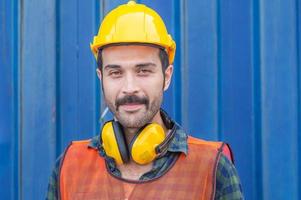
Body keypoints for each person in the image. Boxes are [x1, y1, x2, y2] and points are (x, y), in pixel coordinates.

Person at [47, 1, 243, 199]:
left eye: (143, 71)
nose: (130, 87)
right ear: (101, 78)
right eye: (115, 72)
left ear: (167, 77)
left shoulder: (213, 168)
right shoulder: (69, 166)